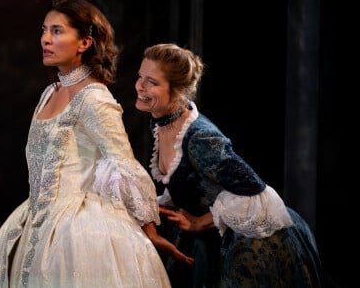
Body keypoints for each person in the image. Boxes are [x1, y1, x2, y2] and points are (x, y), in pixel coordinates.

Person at [0, 0, 192, 288]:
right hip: (34, 220)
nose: (46, 39)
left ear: (85, 42)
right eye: (44, 30)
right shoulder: (50, 92)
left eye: (57, 31)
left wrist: (148, 229)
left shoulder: (94, 98)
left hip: (75, 232)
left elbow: (122, 164)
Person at [134, 43, 322, 288]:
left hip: (250, 240)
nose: (140, 86)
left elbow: (255, 191)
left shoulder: (200, 137)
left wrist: (200, 221)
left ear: (178, 90)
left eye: (152, 82)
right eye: (140, 76)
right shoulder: (161, 123)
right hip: (210, 238)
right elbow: (188, 181)